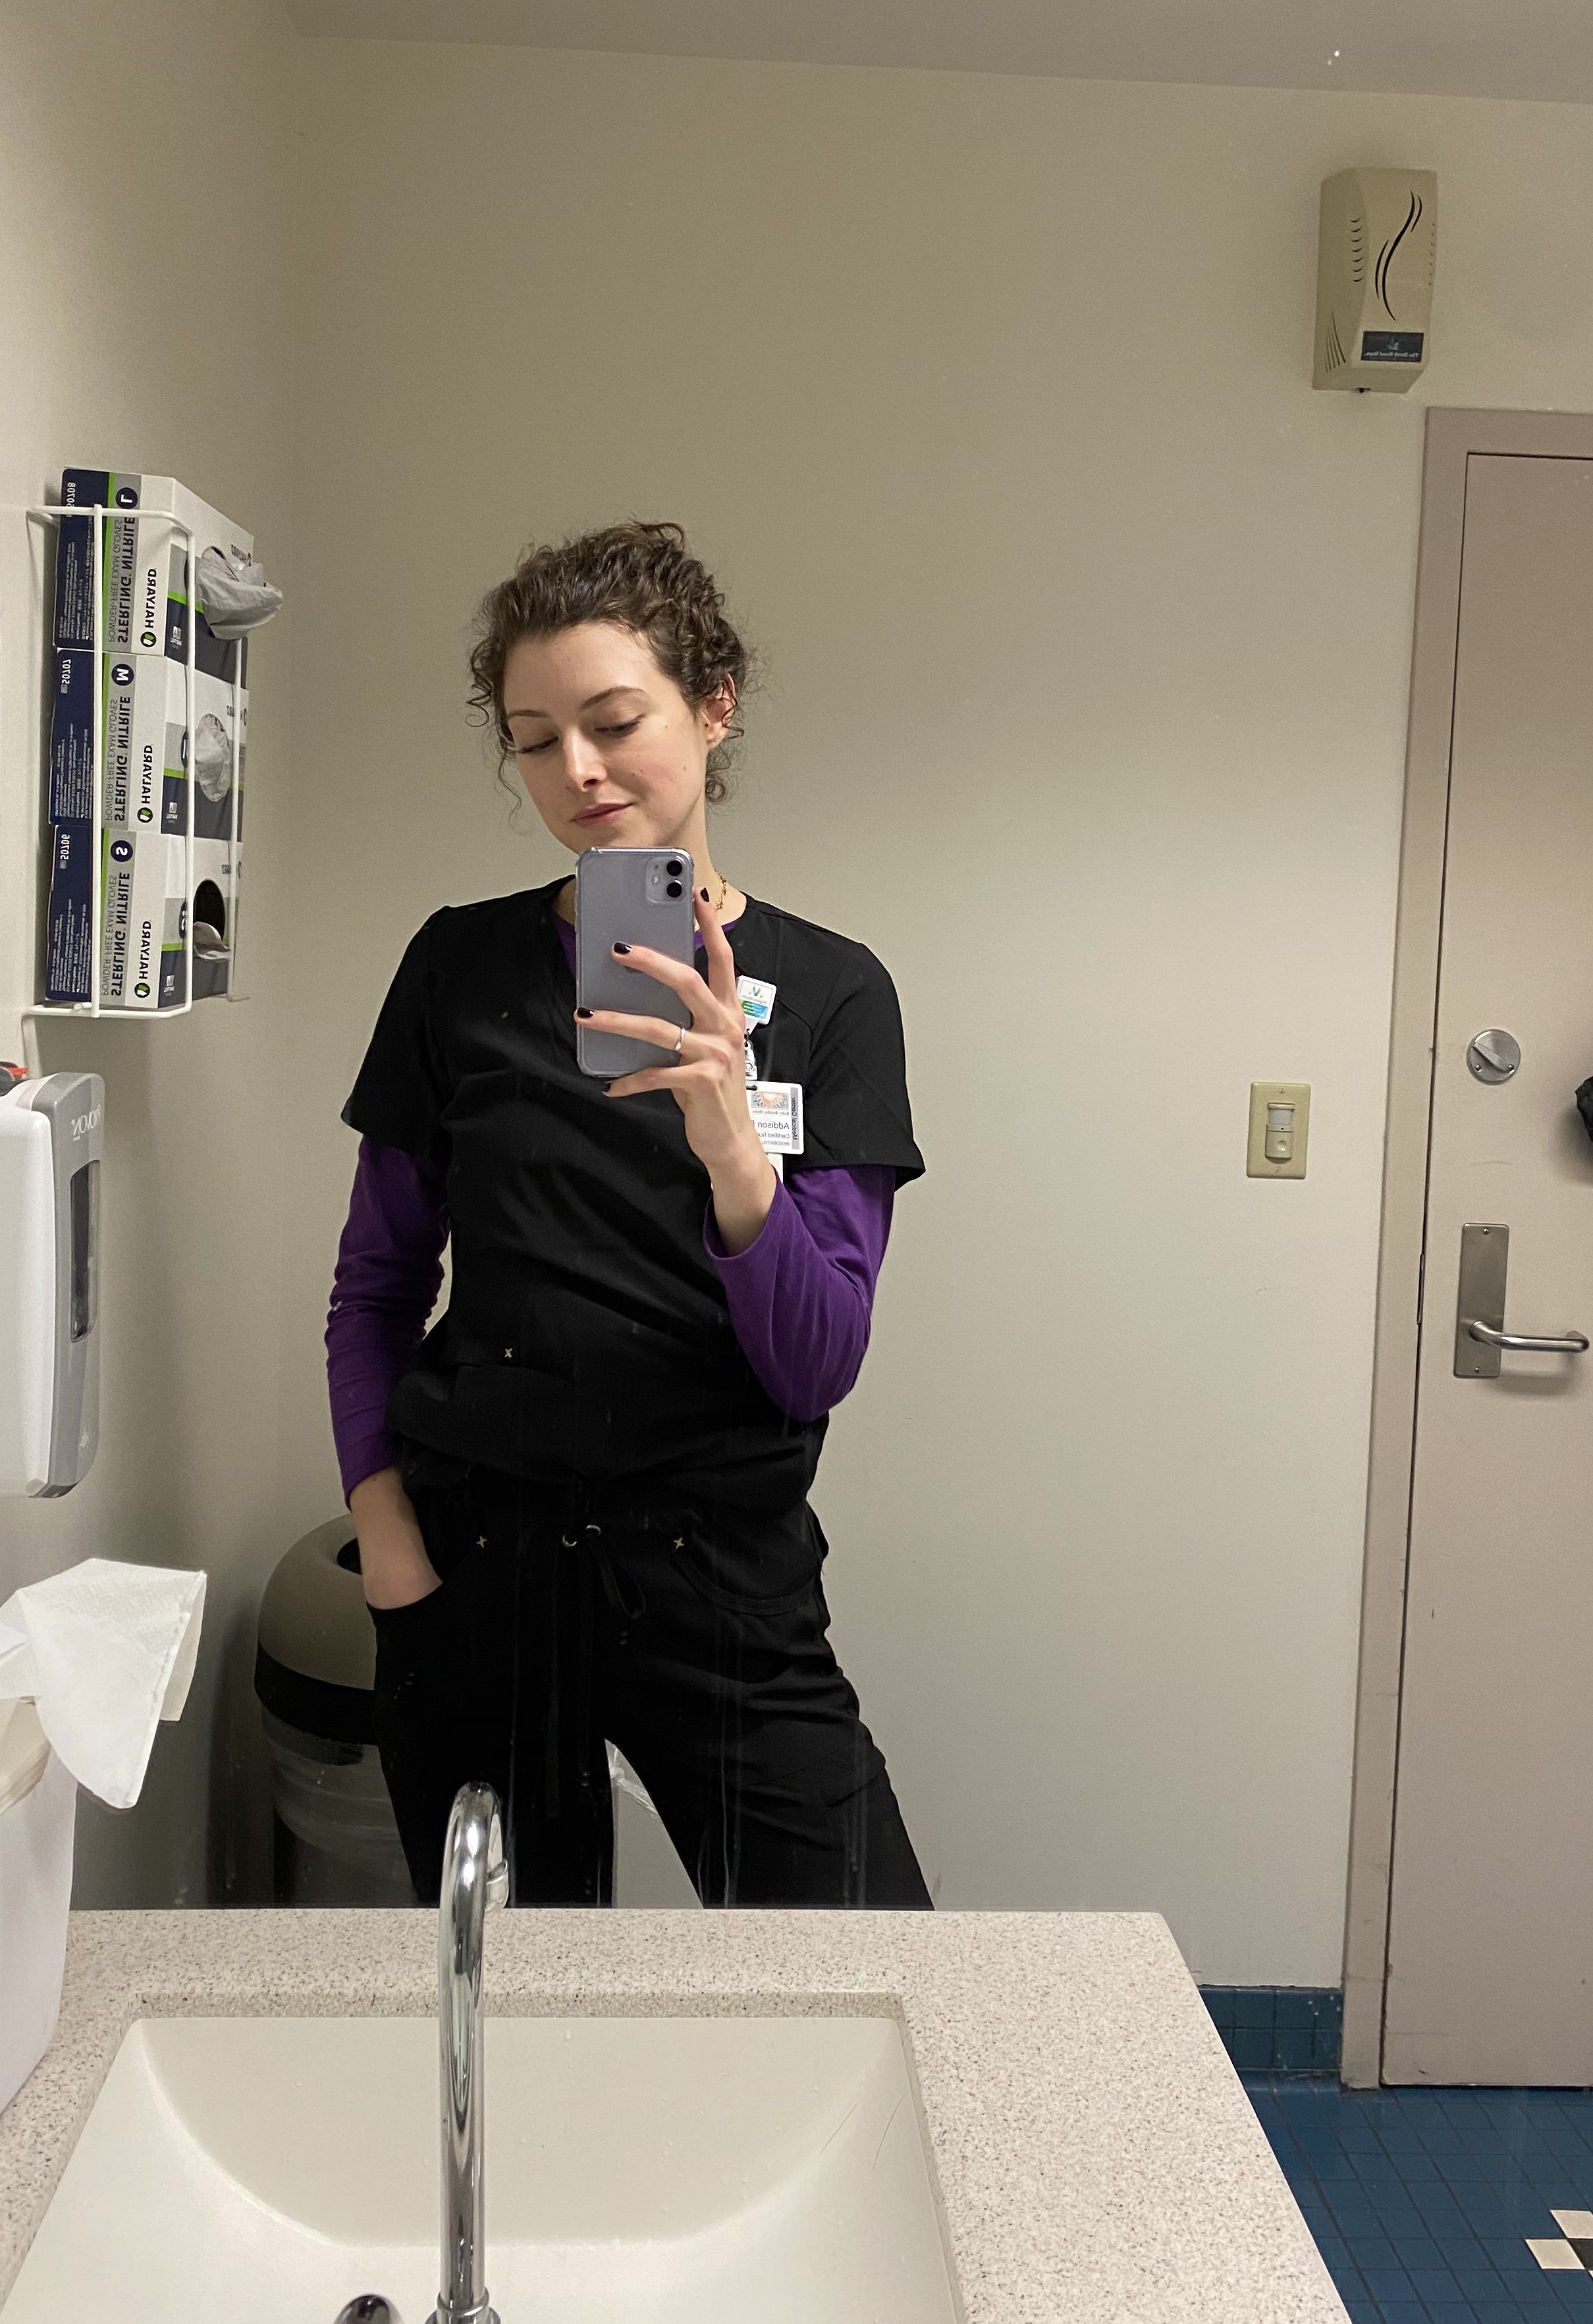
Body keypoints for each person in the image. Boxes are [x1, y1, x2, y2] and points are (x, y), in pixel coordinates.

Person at [325, 521, 931, 1910]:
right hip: (476, 1568)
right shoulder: (458, 966)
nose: (578, 772)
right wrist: (389, 1541)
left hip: (721, 1572)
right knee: (510, 1991)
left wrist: (730, 1142)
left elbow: (817, 1359)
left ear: (713, 706)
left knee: (860, 1956)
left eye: (613, 723)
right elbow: (376, 1287)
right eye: (535, 741)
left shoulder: (833, 994)